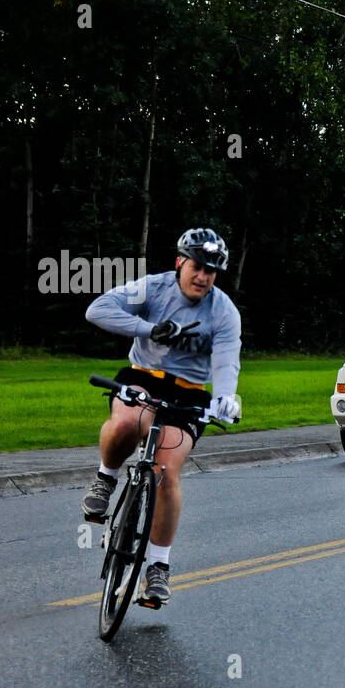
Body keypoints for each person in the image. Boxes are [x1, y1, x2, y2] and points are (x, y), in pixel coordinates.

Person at [81, 227, 243, 605]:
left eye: (211, 271)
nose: (202, 276)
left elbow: (225, 361)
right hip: (143, 377)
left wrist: (225, 398)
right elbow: (97, 310)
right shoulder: (153, 288)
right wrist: (150, 329)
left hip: (189, 392)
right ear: (180, 263)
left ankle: (157, 567)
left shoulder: (224, 311)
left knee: (166, 471)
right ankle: (105, 479)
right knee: (127, 422)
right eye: (196, 267)